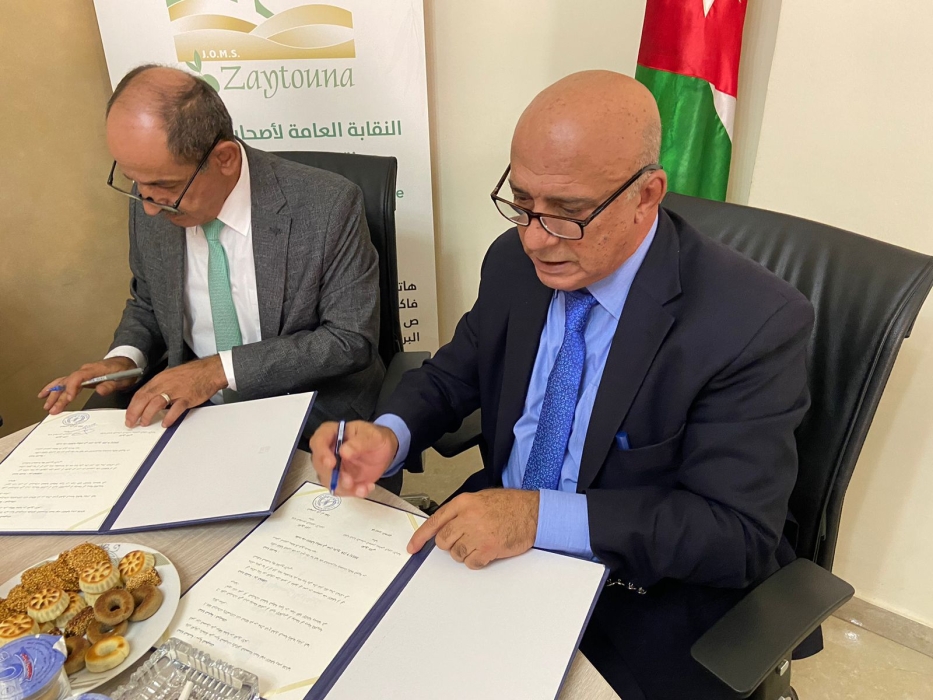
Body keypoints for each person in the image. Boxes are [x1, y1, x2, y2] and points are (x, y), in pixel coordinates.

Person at [309, 71, 814, 699]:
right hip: (494, 544)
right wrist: (390, 434)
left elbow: (733, 533)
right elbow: (457, 370)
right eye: (522, 203)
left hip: (641, 590)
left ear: (647, 194)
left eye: (569, 213)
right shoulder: (512, 262)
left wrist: (537, 517)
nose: (535, 238)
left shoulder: (752, 321)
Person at [40, 65, 384, 431]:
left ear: (225, 159)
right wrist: (124, 360)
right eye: (134, 181)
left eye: (164, 186)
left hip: (309, 410)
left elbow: (349, 339)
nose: (149, 206)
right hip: (194, 415)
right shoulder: (149, 198)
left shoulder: (327, 204)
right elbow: (149, 304)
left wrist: (218, 370)